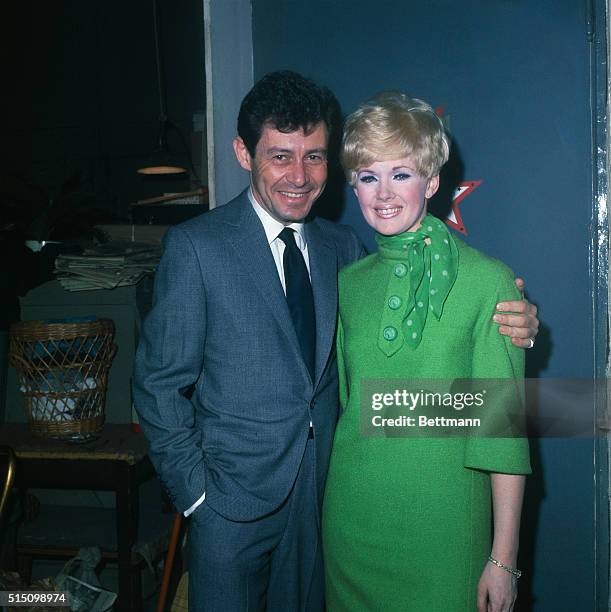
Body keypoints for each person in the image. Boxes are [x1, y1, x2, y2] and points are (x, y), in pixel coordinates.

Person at [133, 72, 537, 611]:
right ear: (243, 153)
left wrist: (517, 320)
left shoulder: (342, 252)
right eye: (280, 156)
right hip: (251, 510)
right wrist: (197, 494)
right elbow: (159, 384)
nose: (299, 176)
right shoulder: (205, 248)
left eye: (315, 157)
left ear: (432, 180)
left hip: (354, 513)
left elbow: (484, 419)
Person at [322, 91, 531, 612]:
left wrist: (502, 560)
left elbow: (501, 432)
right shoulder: (347, 283)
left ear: (432, 182)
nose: (383, 192)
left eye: (401, 174)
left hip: (446, 535)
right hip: (351, 527)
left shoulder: (489, 281)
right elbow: (352, 410)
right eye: (368, 176)